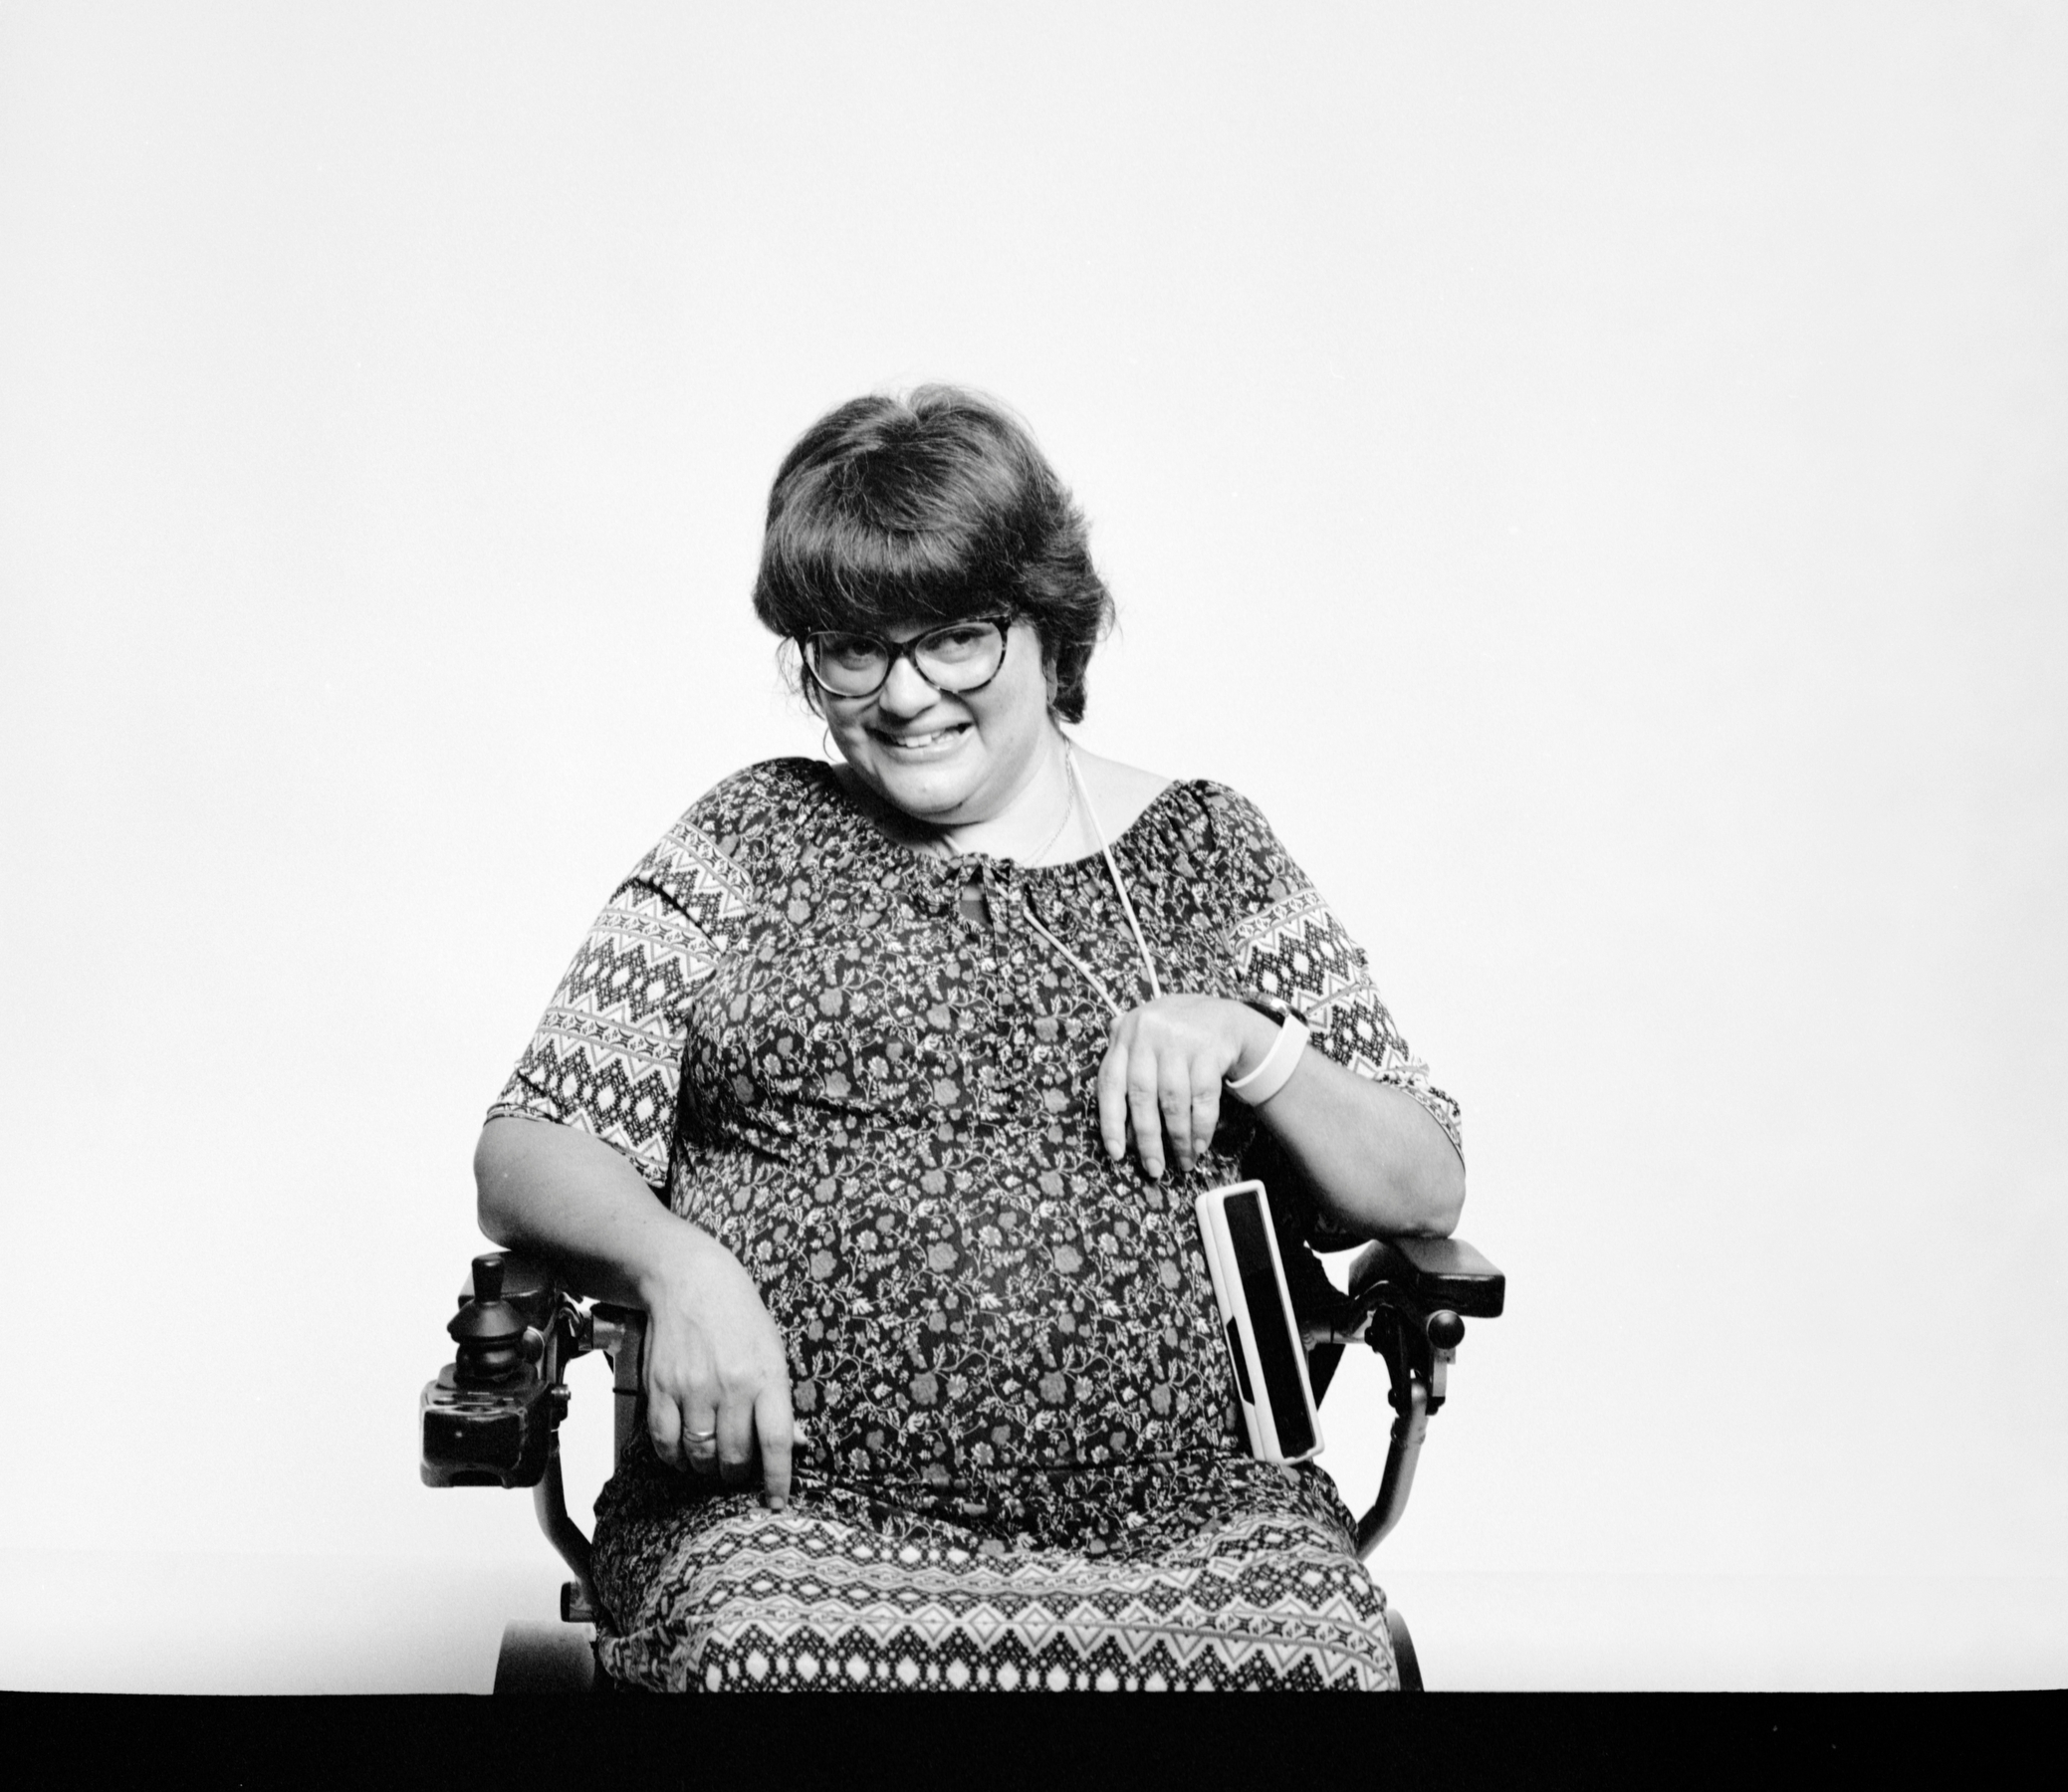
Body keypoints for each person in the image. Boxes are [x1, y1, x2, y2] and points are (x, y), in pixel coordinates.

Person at [474, 384, 1467, 1692]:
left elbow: (1422, 1185)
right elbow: (530, 1145)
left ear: (1050, 631)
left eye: (954, 638)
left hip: (1196, 1528)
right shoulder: (747, 841)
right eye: (853, 649)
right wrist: (676, 1264)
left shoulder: (1209, 853)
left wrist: (1251, 1042)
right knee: (762, 1660)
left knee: (1307, 1664)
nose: (905, 695)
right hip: (786, 1527)